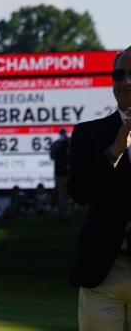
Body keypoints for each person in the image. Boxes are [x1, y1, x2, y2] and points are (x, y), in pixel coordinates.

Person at [67, 46, 131, 329]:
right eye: (120, 74)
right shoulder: (88, 133)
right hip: (102, 270)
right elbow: (80, 192)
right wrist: (114, 151)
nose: (126, 81)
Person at [49, 127, 71, 220]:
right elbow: (52, 156)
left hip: (63, 172)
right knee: (63, 195)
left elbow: (52, 156)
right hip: (63, 172)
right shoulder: (66, 143)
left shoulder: (59, 143)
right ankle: (63, 214)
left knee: (63, 195)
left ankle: (63, 214)